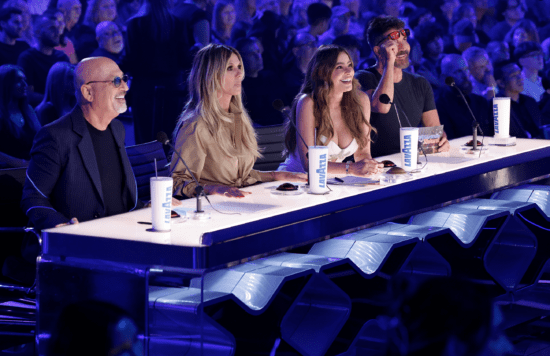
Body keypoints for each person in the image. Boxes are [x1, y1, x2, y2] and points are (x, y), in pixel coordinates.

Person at [20, 57, 144, 230]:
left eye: (124, 79)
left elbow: (117, 194)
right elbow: (33, 197)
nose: (125, 87)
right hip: (80, 242)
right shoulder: (55, 136)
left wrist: (147, 208)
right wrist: (60, 224)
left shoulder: (117, 129)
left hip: (121, 233)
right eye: (116, 81)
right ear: (88, 93)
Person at [171, 44, 306, 199]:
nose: (240, 73)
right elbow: (178, 182)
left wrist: (276, 175)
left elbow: (240, 177)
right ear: (211, 75)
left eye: (239, 66)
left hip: (239, 201)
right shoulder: (196, 125)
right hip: (211, 209)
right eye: (230, 68)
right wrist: (213, 189)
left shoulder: (237, 118)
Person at [278, 45, 383, 176]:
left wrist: (371, 167)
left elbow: (363, 154)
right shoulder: (308, 103)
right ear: (322, 72)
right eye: (339, 67)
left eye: (349, 65)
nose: (349, 71)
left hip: (332, 181)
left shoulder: (361, 100)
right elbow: (309, 164)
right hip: (295, 180)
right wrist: (352, 169)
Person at [355, 15, 449, 158]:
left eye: (404, 40)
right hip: (378, 164)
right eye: (394, 42)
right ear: (378, 50)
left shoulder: (420, 83)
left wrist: (441, 141)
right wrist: (389, 62)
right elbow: (381, 106)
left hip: (411, 160)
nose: (403, 47)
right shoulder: (363, 77)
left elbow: (434, 130)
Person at [124, 0, 192, 144]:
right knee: (169, 137)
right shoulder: (178, 23)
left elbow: (131, 59)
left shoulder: (135, 24)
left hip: (143, 88)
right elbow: (184, 59)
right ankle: (167, 167)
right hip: (172, 88)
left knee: (145, 139)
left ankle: (147, 166)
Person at [17, 11, 70, 106]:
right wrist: (54, 100)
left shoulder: (62, 57)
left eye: (58, 28)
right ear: (38, 32)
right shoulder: (27, 58)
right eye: (52, 28)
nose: (58, 33)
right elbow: (27, 94)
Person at [436, 54, 492, 139]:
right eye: (458, 72)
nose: (465, 75)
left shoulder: (481, 102)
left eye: (466, 69)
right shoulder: (439, 107)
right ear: (445, 78)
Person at [0, 65, 41, 169]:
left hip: (32, 170)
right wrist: (22, 164)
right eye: (18, 80)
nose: (25, 85)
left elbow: (41, 140)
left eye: (25, 80)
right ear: (5, 83)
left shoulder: (29, 110)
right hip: (7, 173)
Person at [494, 60, 543, 138]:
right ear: (501, 83)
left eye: (520, 73)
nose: (520, 78)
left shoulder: (530, 101)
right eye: (513, 75)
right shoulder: (496, 107)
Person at [35, 62, 76, 126]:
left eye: (75, 78)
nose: (74, 82)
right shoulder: (47, 110)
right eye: (70, 78)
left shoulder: (75, 107)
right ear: (58, 80)